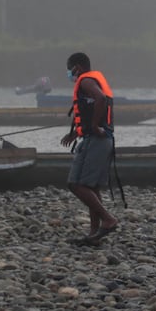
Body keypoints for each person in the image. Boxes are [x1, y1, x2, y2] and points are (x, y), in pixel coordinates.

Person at [60, 52, 119, 245]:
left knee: (76, 184)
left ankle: (108, 220)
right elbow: (91, 108)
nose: (69, 73)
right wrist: (76, 133)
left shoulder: (86, 81)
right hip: (101, 139)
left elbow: (100, 99)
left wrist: (93, 127)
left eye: (70, 69)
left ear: (77, 67)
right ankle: (94, 234)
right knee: (92, 186)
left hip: (96, 139)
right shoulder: (93, 80)